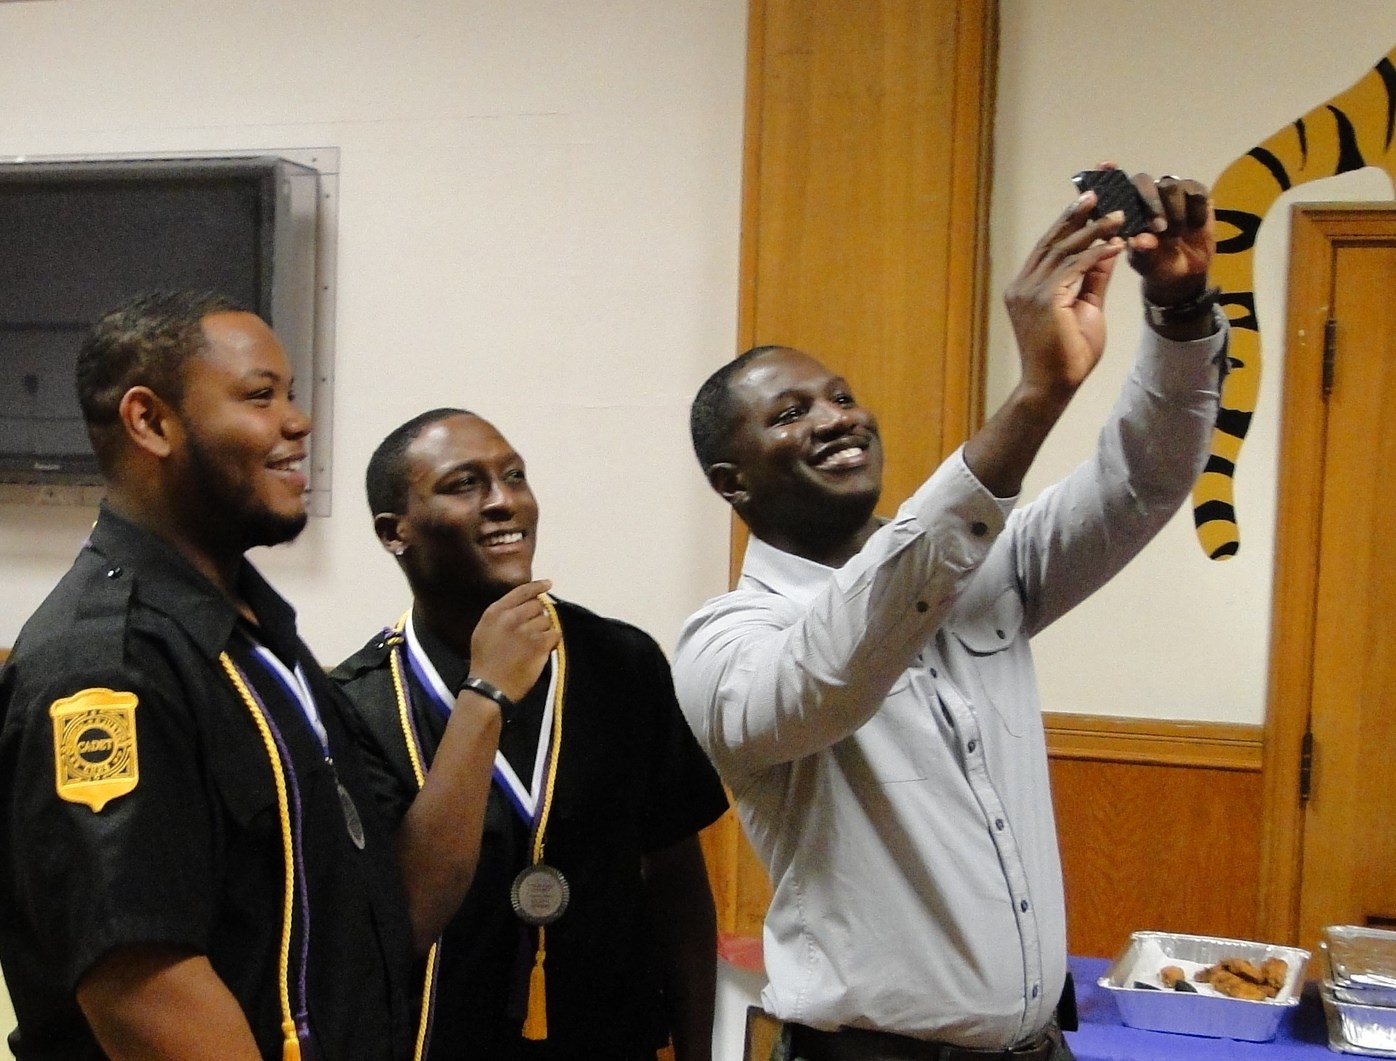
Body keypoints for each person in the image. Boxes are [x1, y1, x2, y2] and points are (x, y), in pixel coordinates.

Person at [673, 171, 1228, 1061]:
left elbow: (1141, 481)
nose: (834, 419)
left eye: (841, 396)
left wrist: (1180, 309)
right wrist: (1034, 395)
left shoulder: (981, 571)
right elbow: (839, 664)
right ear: (731, 483)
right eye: (789, 413)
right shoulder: (725, 646)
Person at [0, 291, 554, 1059]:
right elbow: (145, 986)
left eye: (291, 393)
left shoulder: (261, 640)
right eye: (260, 396)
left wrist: (485, 698)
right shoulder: (108, 663)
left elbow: (396, 911)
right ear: (149, 421)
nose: (299, 421)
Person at [331, 408, 731, 1061]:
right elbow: (396, 919)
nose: (503, 501)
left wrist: (695, 1051)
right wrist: (484, 694)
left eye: (513, 475)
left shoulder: (621, 661)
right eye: (465, 484)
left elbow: (677, 881)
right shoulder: (356, 703)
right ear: (394, 530)